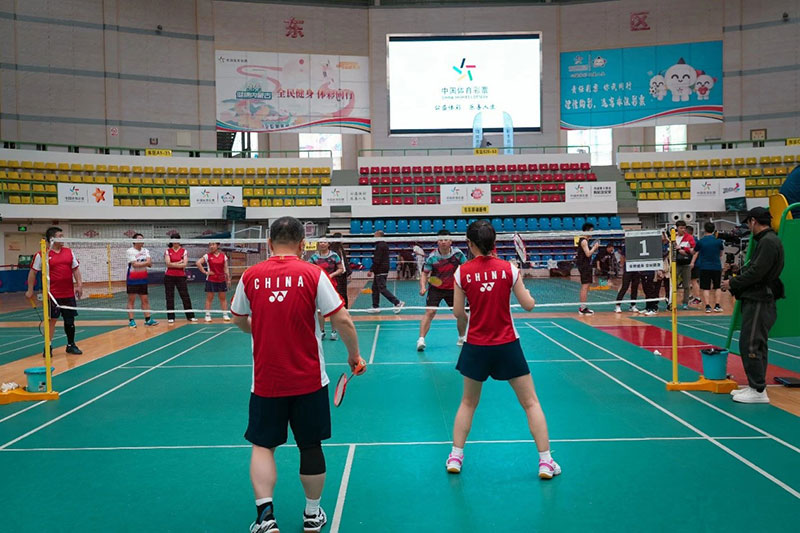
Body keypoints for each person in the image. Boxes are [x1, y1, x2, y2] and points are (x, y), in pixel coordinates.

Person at [230, 216, 364, 533]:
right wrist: (354, 356)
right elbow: (342, 320)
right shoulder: (313, 274)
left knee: (263, 446)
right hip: (309, 381)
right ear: (303, 245)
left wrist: (258, 329)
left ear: (269, 243)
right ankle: (312, 515)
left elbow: (238, 319)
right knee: (310, 445)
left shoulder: (250, 275)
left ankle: (265, 518)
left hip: (266, 381)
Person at [446, 220, 560, 479]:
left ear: (470, 244)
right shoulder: (509, 269)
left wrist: (471, 318)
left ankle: (455, 456)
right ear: (494, 242)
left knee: (467, 403)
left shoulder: (461, 272)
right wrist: (524, 288)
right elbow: (528, 305)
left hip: (476, 345)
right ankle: (545, 461)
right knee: (531, 403)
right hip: (507, 344)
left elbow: (457, 313)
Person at [723, 207, 785, 404]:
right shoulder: (767, 241)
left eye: (748, 223)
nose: (748, 228)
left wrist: (733, 283)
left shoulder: (768, 242)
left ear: (753, 221)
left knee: (750, 343)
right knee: (756, 343)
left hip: (760, 299)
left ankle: (758, 390)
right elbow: (757, 268)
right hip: (758, 297)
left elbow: (758, 272)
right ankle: (755, 386)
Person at [25, 226, 84, 356]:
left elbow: (75, 269)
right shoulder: (42, 254)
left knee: (70, 320)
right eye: (60, 236)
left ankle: (71, 345)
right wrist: (30, 290)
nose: (63, 238)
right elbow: (33, 273)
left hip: (68, 293)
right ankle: (48, 346)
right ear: (52, 239)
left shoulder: (69, 252)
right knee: (51, 321)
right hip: (51, 295)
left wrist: (79, 285)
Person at [417, 229, 467, 351]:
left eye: (445, 239)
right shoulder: (432, 257)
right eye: (441, 240)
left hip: (454, 288)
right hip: (436, 288)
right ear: (437, 242)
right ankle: (421, 340)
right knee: (430, 312)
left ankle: (462, 337)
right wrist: (423, 287)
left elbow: (466, 268)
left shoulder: (458, 254)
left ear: (450, 241)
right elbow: (425, 273)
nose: (443, 242)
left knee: (460, 314)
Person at [308, 239, 345, 340]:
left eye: (325, 242)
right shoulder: (314, 257)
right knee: (319, 310)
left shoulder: (334, 256)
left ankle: (334, 332)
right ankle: (322, 331)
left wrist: (331, 275)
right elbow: (309, 268)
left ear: (328, 244)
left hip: (331, 284)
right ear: (318, 244)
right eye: (321, 242)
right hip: (318, 284)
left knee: (333, 309)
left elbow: (341, 269)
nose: (323, 244)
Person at [125, 233, 158, 328]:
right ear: (134, 241)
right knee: (131, 300)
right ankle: (131, 321)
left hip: (143, 278)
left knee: (145, 299)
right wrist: (146, 262)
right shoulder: (130, 251)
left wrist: (144, 262)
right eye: (139, 239)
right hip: (132, 278)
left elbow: (150, 264)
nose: (142, 241)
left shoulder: (145, 250)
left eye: (142, 239)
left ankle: (148, 319)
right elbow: (135, 265)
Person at [691, 222, 725, 313]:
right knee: (717, 286)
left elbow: (693, 252)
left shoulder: (701, 241)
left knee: (706, 287)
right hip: (716, 266)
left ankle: (707, 306)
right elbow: (721, 253)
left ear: (704, 229)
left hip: (704, 267)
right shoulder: (718, 241)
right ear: (713, 230)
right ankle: (717, 305)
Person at [368, 230, 405, 313]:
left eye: (375, 235)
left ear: (379, 236)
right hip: (380, 270)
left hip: (380, 270)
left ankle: (398, 302)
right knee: (375, 288)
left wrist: (371, 270)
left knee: (382, 288)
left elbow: (377, 260)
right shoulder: (383, 245)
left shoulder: (380, 246)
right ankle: (375, 307)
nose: (374, 237)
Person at [164, 233, 197, 324]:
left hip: (181, 276)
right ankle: (171, 317)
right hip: (169, 276)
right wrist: (179, 262)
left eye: (177, 240)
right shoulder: (167, 251)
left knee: (185, 296)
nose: (175, 242)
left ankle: (190, 316)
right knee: (169, 297)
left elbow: (184, 264)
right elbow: (168, 264)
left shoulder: (184, 251)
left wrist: (174, 264)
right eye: (173, 240)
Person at [196, 242, 232, 322]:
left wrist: (228, 278)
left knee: (223, 298)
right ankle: (207, 315)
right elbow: (198, 263)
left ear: (217, 245)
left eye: (213, 245)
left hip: (221, 279)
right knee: (209, 298)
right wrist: (205, 272)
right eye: (210, 245)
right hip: (211, 279)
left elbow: (226, 268)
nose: (211, 247)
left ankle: (225, 314)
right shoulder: (207, 256)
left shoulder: (223, 256)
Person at [576, 222, 599, 316]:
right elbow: (588, 254)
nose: (592, 233)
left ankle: (583, 307)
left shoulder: (585, 240)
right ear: (587, 231)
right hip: (584, 266)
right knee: (585, 287)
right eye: (591, 231)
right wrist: (594, 248)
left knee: (586, 286)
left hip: (586, 265)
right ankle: (582, 308)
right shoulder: (584, 241)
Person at [674, 221, 696, 310]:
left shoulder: (689, 237)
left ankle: (685, 303)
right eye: (681, 228)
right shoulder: (673, 237)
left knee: (686, 285)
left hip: (686, 263)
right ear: (677, 228)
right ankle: (672, 302)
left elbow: (694, 249)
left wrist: (683, 249)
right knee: (673, 283)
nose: (683, 230)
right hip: (675, 263)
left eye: (684, 228)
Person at [614, 243, 641, 313]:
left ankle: (633, 305)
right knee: (624, 287)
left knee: (635, 287)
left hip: (637, 269)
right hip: (628, 269)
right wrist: (622, 266)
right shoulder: (626, 245)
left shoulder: (639, 245)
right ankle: (617, 305)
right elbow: (622, 256)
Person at [330, 232, 350, 308]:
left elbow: (344, 261)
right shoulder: (332, 249)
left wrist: (348, 271)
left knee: (344, 293)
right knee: (338, 292)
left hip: (343, 274)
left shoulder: (341, 248)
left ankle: (345, 308)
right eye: (342, 237)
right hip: (337, 275)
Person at [686, 225, 702, 305]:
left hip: (695, 264)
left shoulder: (694, 240)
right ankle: (691, 296)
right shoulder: (688, 240)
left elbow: (696, 253)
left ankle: (698, 298)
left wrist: (692, 262)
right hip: (690, 263)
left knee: (694, 281)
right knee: (689, 280)